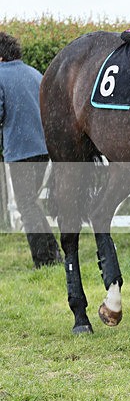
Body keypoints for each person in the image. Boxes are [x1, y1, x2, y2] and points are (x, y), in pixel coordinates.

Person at [0, 32, 62, 267]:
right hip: (43, 148)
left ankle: (44, 260)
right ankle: (54, 253)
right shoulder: (34, 73)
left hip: (20, 150)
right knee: (31, 202)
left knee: (26, 204)